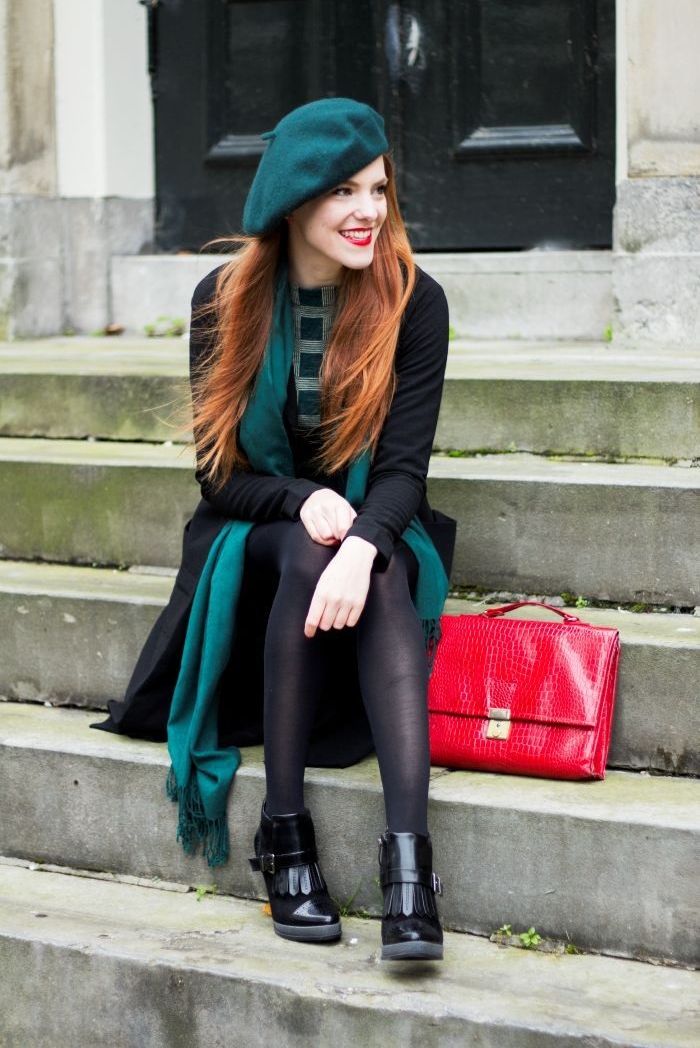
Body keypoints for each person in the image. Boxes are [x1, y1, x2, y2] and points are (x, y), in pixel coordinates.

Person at [93, 98, 453, 961]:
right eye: (342, 192)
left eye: (378, 188)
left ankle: (411, 873)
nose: (369, 210)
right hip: (258, 529)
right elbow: (218, 474)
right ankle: (283, 835)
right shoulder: (225, 299)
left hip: (373, 527)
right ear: (293, 202)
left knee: (386, 571)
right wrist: (301, 501)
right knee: (304, 548)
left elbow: (403, 471)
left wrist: (363, 543)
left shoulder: (415, 300)